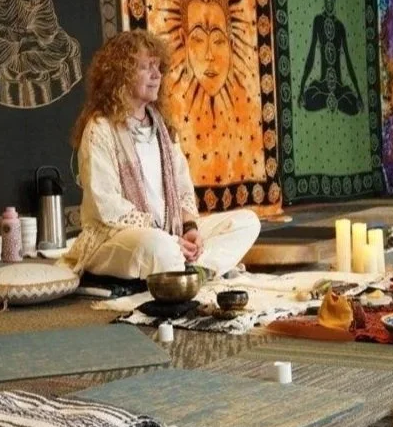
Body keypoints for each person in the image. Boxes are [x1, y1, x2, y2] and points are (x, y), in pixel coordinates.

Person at [61, 30, 260, 280]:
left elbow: (183, 189)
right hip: (116, 237)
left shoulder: (162, 127)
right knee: (157, 247)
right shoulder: (101, 128)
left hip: (171, 232)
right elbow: (108, 207)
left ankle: (194, 270)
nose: (158, 75)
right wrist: (168, 238)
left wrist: (189, 230)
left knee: (247, 222)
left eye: (158, 67)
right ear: (121, 75)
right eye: (146, 68)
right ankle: (184, 266)